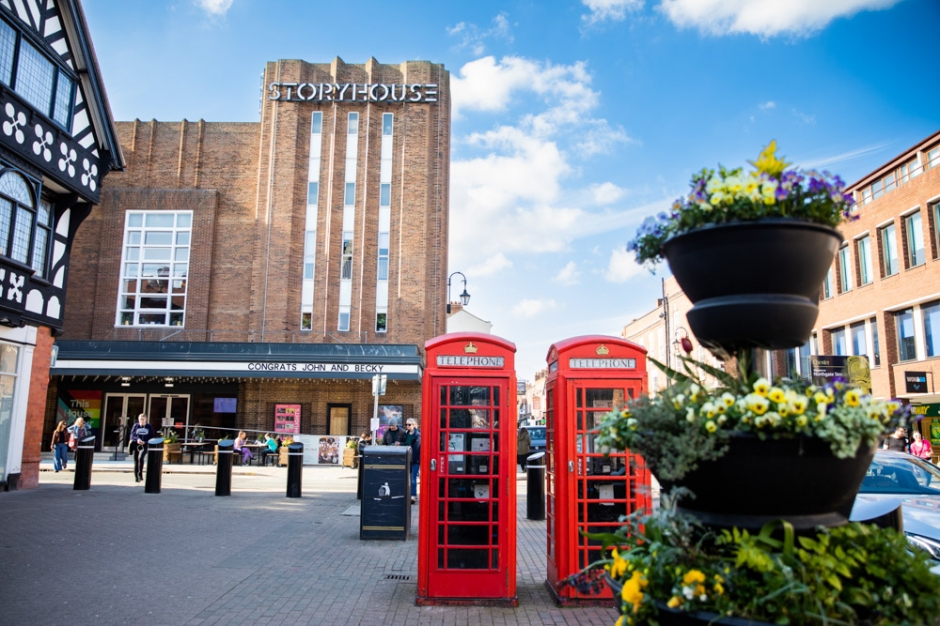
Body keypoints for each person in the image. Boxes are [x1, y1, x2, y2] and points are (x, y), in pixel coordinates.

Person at [127, 414, 155, 483]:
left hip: (144, 445)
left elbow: (151, 437)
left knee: (140, 458)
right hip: (136, 445)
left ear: (146, 420)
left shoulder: (149, 426)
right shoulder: (136, 426)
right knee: (136, 461)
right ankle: (136, 477)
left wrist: (145, 442)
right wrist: (137, 439)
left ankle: (140, 473)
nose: (141, 421)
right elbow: (132, 435)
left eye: (143, 419)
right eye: (140, 419)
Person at [404, 419, 421, 503]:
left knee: (413, 478)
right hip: (406, 459)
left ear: (414, 425)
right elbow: (405, 445)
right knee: (407, 478)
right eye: (406, 424)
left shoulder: (418, 435)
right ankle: (408, 494)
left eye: (409, 424)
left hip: (415, 460)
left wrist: (414, 459)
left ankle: (413, 495)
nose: (407, 426)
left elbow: (417, 449)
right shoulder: (406, 434)